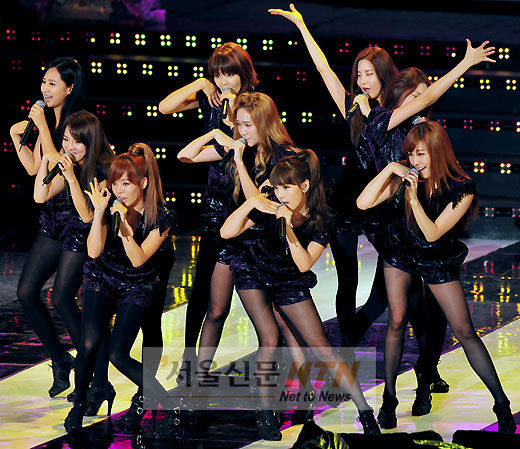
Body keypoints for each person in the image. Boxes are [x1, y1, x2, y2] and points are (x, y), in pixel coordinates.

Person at [356, 120, 516, 433]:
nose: (414, 161)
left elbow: (431, 234)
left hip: (435, 254)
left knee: (464, 330)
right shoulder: (405, 176)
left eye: (421, 154)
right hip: (401, 249)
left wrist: (414, 200)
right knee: (397, 320)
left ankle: (502, 405)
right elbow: (362, 203)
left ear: (437, 151)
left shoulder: (461, 187)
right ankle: (389, 401)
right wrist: (390, 169)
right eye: (410, 154)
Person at [221, 150, 381, 440]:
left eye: (287, 187)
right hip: (253, 271)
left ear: (304, 186)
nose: (280, 194)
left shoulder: (322, 218)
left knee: (321, 346)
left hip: (289, 277)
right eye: (277, 188)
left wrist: (288, 228)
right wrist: (252, 202)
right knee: (270, 338)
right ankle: (266, 413)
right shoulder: (268, 207)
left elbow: (304, 263)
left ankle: (366, 412)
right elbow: (226, 232)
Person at [64, 143, 176, 433]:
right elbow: (93, 251)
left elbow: (138, 259)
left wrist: (123, 224)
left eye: (125, 184)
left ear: (143, 183)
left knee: (118, 354)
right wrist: (100, 213)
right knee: (88, 343)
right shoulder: (109, 207)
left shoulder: (161, 216)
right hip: (103, 277)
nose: (118, 190)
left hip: (137, 283)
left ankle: (166, 404)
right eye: (115, 183)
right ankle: (80, 403)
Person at [159, 42, 259, 366]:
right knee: (202, 291)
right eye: (217, 74)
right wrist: (200, 83)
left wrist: (230, 108)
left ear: (243, 73)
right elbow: (164, 107)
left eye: (229, 74)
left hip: (246, 205)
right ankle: (189, 361)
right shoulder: (211, 97)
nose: (223, 81)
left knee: (250, 295)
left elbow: (235, 143)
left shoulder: (254, 105)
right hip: (216, 206)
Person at [9, 57, 87, 397]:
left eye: (52, 83)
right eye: (43, 82)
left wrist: (41, 127)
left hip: (76, 218)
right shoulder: (47, 120)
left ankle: (90, 369)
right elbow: (35, 169)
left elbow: (59, 162)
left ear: (69, 88)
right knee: (26, 292)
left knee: (63, 298)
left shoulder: (76, 123)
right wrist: (17, 138)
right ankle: (60, 359)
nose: (45, 89)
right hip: (52, 219)